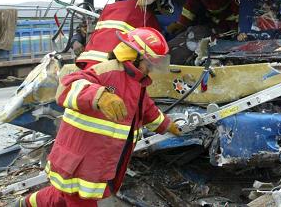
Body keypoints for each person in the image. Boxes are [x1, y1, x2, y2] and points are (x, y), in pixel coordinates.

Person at [17, 27, 181, 206]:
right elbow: (66, 87)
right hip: (80, 159)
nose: (153, 68)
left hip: (97, 158)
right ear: (134, 57)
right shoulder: (107, 71)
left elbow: (146, 109)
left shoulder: (137, 81)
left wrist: (167, 125)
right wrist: (99, 96)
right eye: (151, 63)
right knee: (78, 198)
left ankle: (25, 203)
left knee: (65, 196)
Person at [166, 0, 240, 64]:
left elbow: (236, 12)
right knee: (189, 37)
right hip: (206, 25)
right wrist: (181, 24)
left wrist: (236, 30)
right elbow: (190, 7)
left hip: (225, 27)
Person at [76, 0, 162, 70]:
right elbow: (157, 47)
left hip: (88, 62)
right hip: (113, 66)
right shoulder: (148, 16)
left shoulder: (111, 8)